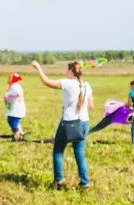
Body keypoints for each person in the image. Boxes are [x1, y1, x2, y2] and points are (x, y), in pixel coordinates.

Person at [31, 60, 93, 189]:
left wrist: (38, 67)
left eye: (67, 69)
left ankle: (59, 181)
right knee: (80, 153)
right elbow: (91, 106)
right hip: (84, 122)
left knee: (58, 151)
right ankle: (85, 183)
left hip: (69, 123)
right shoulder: (87, 85)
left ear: (71, 71)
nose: (65, 72)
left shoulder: (68, 83)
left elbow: (47, 82)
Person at [4, 73, 26, 141]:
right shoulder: (14, 85)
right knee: (14, 120)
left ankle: (17, 135)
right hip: (11, 106)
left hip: (15, 107)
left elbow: (17, 92)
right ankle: (21, 133)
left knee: (12, 121)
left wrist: (19, 96)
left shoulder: (14, 86)